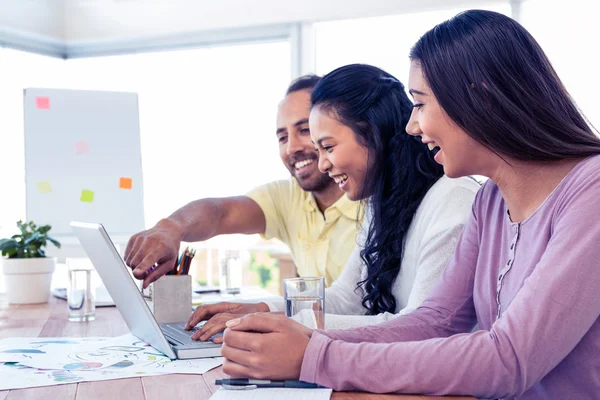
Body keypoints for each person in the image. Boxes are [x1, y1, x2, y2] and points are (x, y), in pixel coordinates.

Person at [218, 10, 600, 399]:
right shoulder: (489, 202)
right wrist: (301, 339)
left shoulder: (592, 192)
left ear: (478, 95)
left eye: (419, 104)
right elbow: (435, 321)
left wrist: (317, 354)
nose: (411, 126)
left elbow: (509, 358)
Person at [185, 64, 479, 341]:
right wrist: (259, 309)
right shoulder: (386, 204)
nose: (322, 164)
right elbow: (346, 300)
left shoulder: (451, 199)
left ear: (373, 134)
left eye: (327, 147)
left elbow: (420, 329)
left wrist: (287, 323)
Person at [124, 75, 362, 290]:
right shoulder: (288, 196)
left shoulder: (373, 200)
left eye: (303, 130)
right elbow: (220, 213)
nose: (291, 148)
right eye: (282, 137)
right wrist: (172, 227)